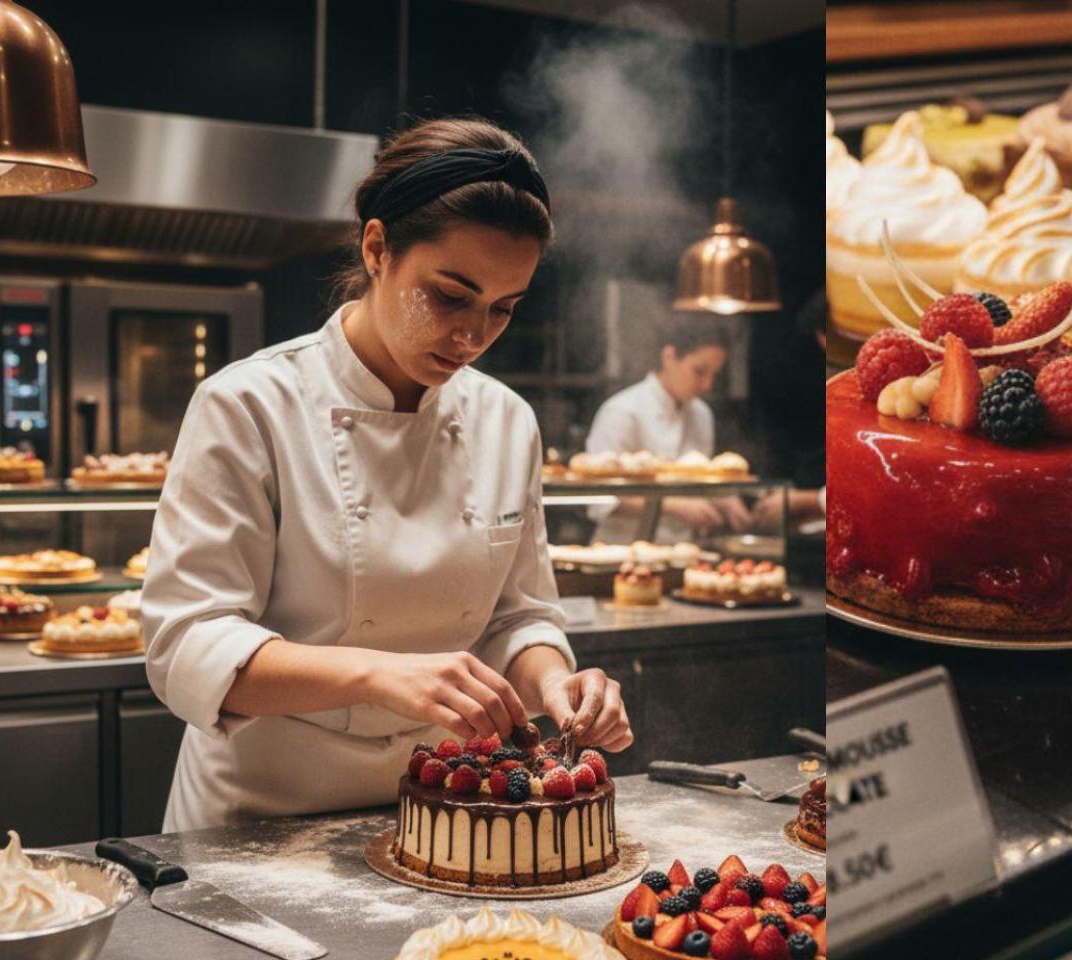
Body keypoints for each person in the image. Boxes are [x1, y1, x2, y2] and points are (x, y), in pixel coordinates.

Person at [143, 118, 631, 831]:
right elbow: (186, 644)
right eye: (450, 295)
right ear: (377, 249)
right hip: (259, 815)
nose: (472, 336)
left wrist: (558, 682)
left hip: (441, 810)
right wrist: (378, 673)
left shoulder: (506, 420)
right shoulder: (249, 404)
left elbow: (518, 616)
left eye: (502, 309)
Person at [583, 316, 751, 542]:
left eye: (714, 375)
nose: (707, 385)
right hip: (620, 549)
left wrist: (723, 498)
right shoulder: (622, 410)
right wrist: (673, 506)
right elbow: (603, 500)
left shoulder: (702, 415)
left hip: (684, 550)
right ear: (669, 357)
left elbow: (698, 481)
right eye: (699, 371)